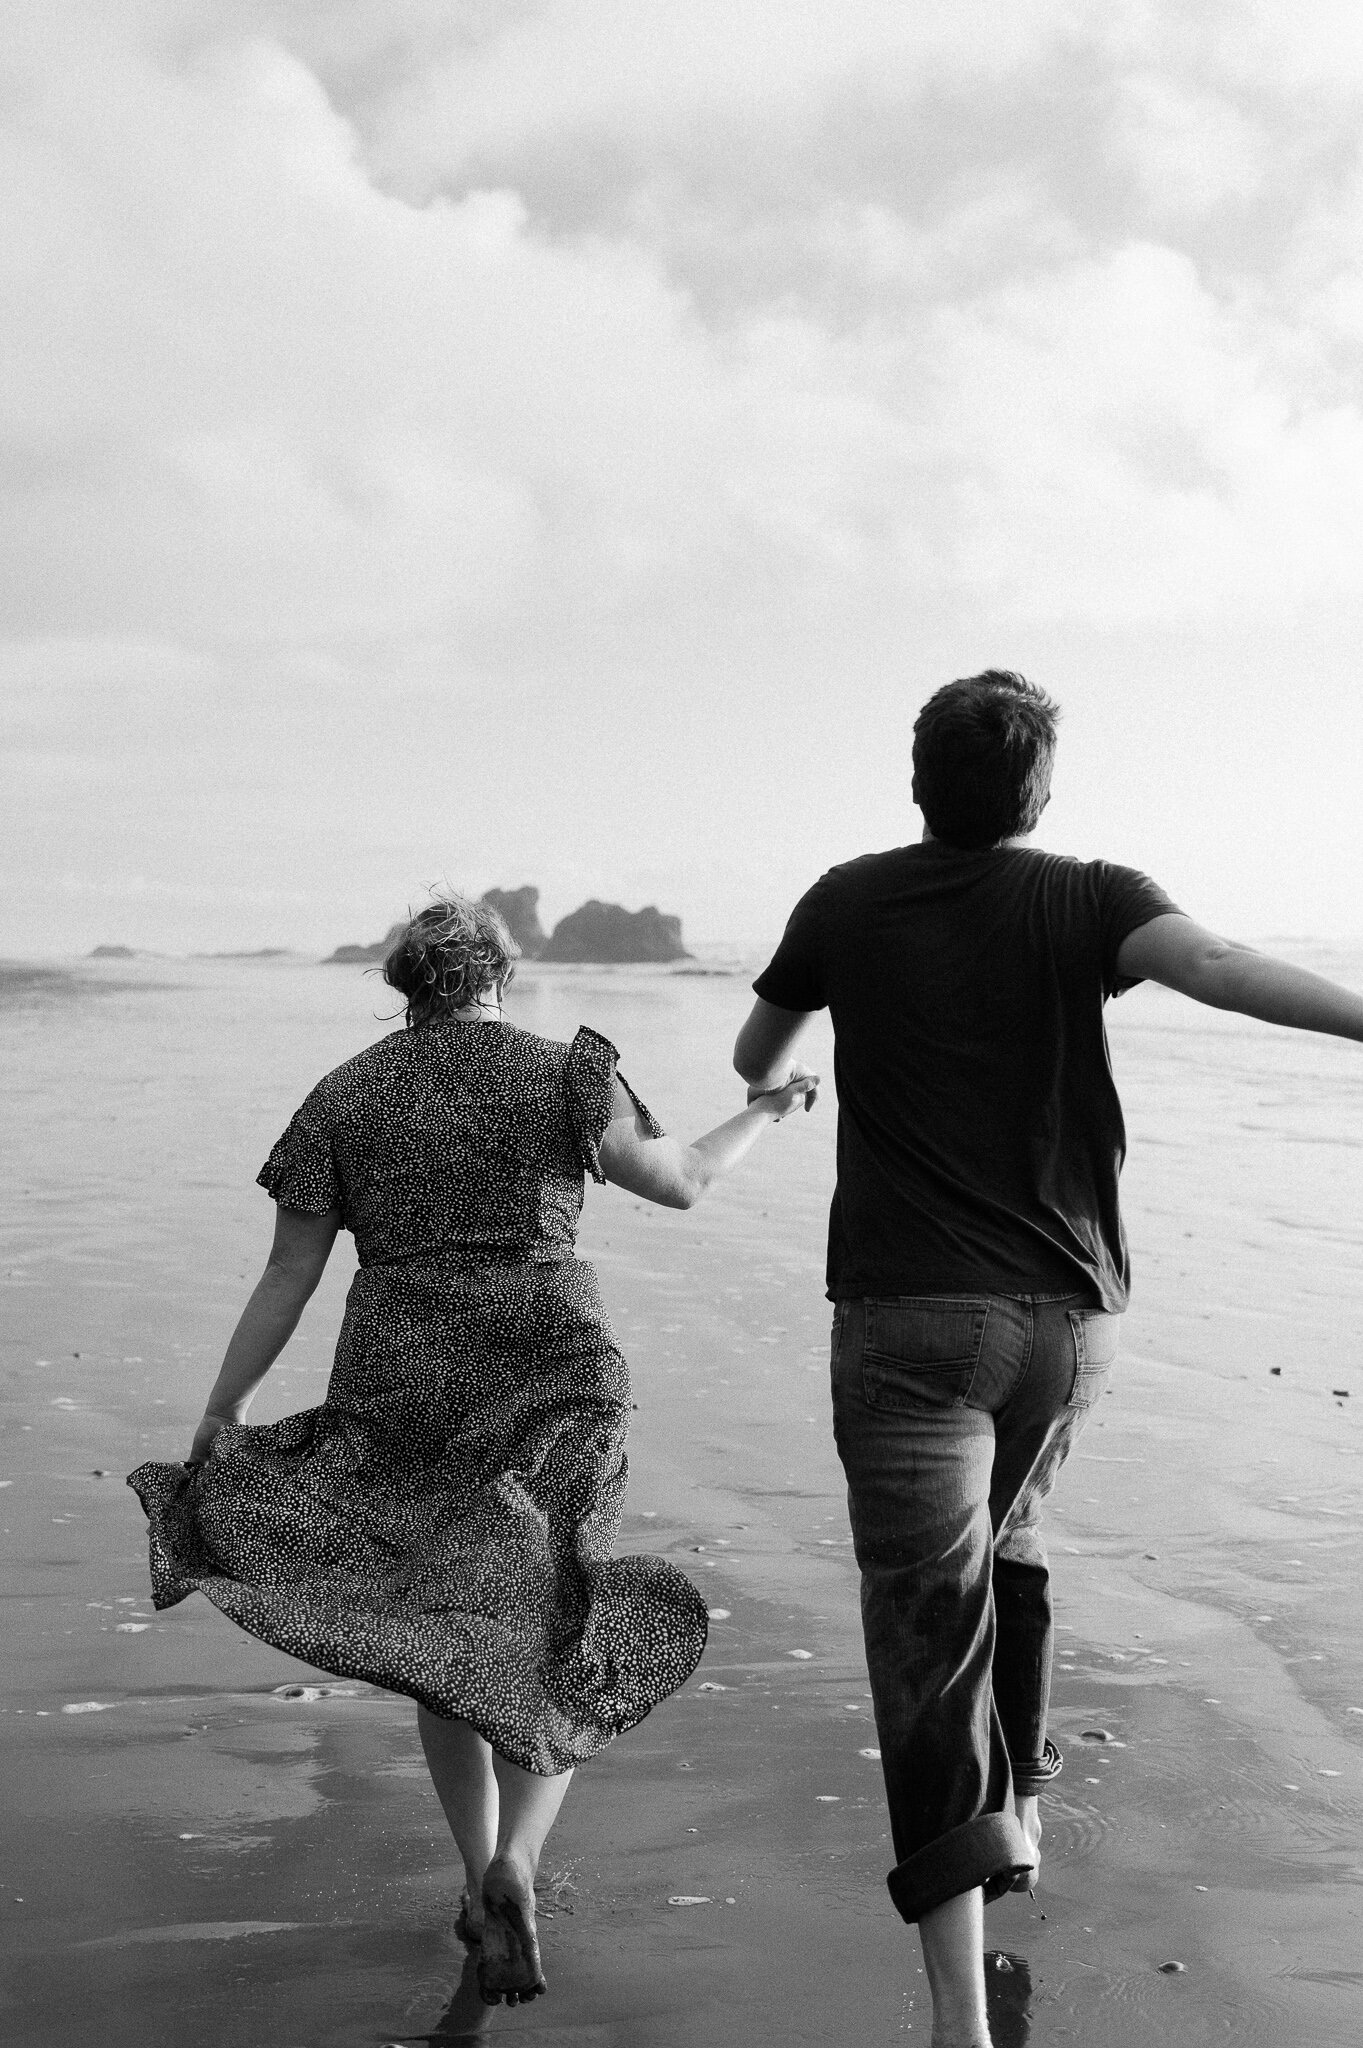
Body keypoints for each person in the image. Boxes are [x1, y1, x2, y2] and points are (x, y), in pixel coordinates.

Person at [733, 669, 1363, 2048]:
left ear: (915, 781)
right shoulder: (1088, 895)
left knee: (922, 1634)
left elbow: (753, 1046)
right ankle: (1014, 1811)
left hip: (906, 1324)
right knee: (1009, 1537)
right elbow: (1217, 971)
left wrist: (782, 1081)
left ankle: (958, 2021)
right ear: (1038, 793)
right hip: (1065, 1327)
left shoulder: (843, 900)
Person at [128, 893, 815, 2009]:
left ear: (405, 984)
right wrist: (771, 1109)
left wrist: (222, 1415)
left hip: (404, 1381)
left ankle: (476, 1867)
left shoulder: (343, 1095)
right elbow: (682, 1178)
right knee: (558, 1614)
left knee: (444, 1628)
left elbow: (287, 1275)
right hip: (557, 1364)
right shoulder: (566, 1072)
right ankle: (519, 1865)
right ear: (501, 969)